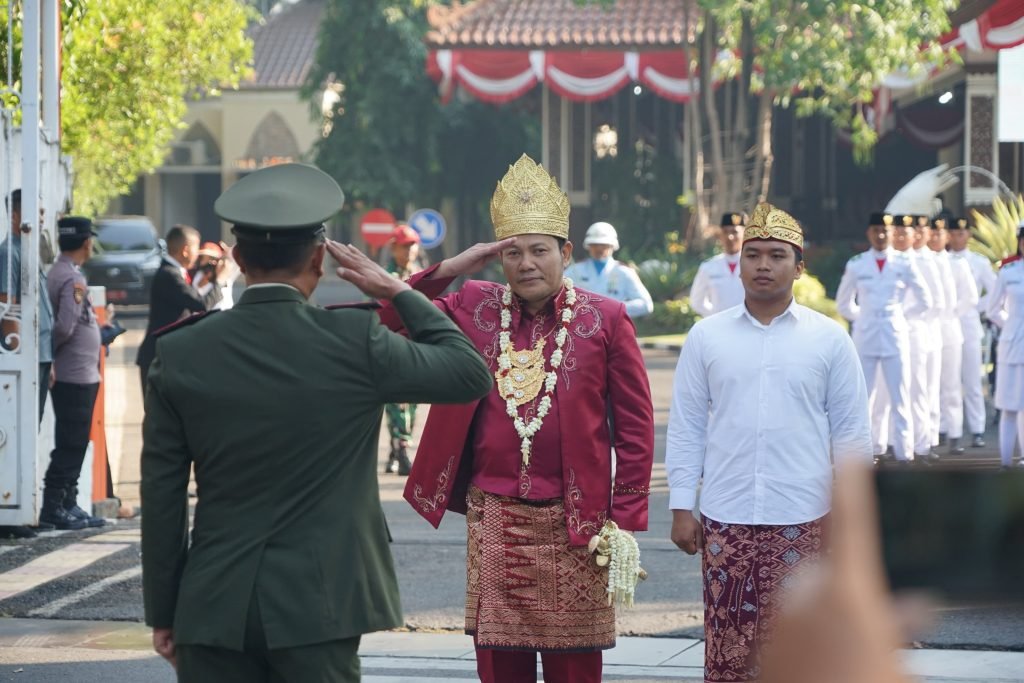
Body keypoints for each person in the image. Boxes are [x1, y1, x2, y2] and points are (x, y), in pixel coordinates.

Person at [140, 162, 493, 682]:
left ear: (237, 258)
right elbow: (469, 373)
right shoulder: (355, 341)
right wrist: (397, 291)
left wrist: (165, 611)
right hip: (321, 605)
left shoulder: (181, 352)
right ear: (318, 258)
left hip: (212, 604)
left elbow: (161, 498)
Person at [379, 154, 655, 683]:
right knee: (501, 668)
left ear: (565, 253)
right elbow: (389, 322)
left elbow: (636, 429)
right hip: (495, 519)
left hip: (580, 524)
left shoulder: (606, 319)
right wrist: (454, 268)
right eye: (512, 253)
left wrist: (623, 516)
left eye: (539, 250)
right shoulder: (473, 307)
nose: (526, 263)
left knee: (575, 668)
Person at [666, 202, 872, 683]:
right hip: (726, 516)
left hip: (805, 516)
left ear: (799, 267)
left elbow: (851, 432)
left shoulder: (830, 339)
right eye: (753, 254)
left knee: (799, 648)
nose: (763, 265)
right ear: (738, 264)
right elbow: (688, 425)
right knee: (728, 646)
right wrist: (680, 506)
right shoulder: (706, 336)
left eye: (777, 255)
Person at [836, 212, 929, 463]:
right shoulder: (857, 264)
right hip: (866, 335)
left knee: (900, 395)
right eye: (876, 230)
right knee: (863, 397)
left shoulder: (904, 263)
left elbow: (925, 300)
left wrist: (900, 316)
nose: (880, 235)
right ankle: (864, 452)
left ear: (892, 233)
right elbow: (843, 303)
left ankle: (904, 453)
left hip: (895, 334)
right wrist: (863, 316)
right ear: (868, 233)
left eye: (885, 230)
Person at [39, 216, 106, 530]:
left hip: (77, 371)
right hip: (75, 374)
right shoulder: (72, 279)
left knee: (74, 439)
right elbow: (65, 327)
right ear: (86, 243)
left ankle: (68, 501)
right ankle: (54, 505)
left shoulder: (60, 272)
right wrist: (51, 354)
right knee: (72, 441)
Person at [0, 190, 57, 538]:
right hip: (24, 356)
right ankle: (11, 512)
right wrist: (16, 350)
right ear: (15, 214)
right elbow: (8, 306)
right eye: (34, 211)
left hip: (40, 354)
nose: (40, 218)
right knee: (18, 431)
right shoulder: (10, 252)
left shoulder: (28, 250)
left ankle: (24, 506)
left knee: (30, 431)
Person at [136, 224, 223, 391]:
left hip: (169, 355)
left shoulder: (174, 272)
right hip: (159, 358)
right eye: (196, 248)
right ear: (185, 250)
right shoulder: (170, 274)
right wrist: (219, 281)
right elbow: (201, 305)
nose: (197, 254)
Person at [929, 218, 978, 454]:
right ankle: (933, 432)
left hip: (950, 329)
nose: (935, 237)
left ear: (946, 237)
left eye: (940, 234)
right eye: (932, 233)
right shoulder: (920, 261)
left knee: (951, 384)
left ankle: (955, 433)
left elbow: (971, 297)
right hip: (927, 329)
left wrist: (951, 315)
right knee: (930, 385)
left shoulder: (957, 264)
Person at [948, 216, 997, 447]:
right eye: (953, 233)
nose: (957, 237)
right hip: (945, 323)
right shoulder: (941, 260)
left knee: (973, 380)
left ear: (968, 234)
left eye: (961, 233)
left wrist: (976, 307)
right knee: (947, 380)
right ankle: (947, 427)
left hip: (969, 324)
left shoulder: (979, 262)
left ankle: (977, 429)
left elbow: (994, 291)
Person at [383, 224, 424, 475]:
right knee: (397, 402)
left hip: (416, 346)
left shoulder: (420, 273)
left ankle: (395, 449)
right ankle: (402, 450)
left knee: (413, 401)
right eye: (404, 246)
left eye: (412, 245)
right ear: (393, 248)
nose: (409, 251)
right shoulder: (384, 276)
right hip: (392, 345)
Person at [985, 220, 1024, 469]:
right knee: (1009, 406)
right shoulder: (1008, 272)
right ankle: (1006, 462)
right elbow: (992, 309)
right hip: (1012, 345)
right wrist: (1010, 325)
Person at [563, 221, 653, 318]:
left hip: (613, 324)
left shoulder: (624, 272)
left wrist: (615, 308)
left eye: (604, 245)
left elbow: (646, 304)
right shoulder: (575, 270)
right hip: (582, 323)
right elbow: (558, 296)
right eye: (595, 244)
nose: (599, 249)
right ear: (588, 246)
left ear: (613, 246)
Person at [689, 212, 746, 317]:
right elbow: (696, 301)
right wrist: (715, 315)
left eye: (735, 232)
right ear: (720, 235)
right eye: (725, 232)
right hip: (720, 323)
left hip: (747, 323)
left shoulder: (753, 266)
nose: (730, 237)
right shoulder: (708, 267)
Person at [191, 241, 241, 311]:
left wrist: (229, 253)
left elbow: (238, 258)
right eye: (203, 258)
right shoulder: (198, 275)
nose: (210, 262)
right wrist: (201, 284)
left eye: (211, 258)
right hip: (206, 314)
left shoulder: (226, 271)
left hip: (225, 313)